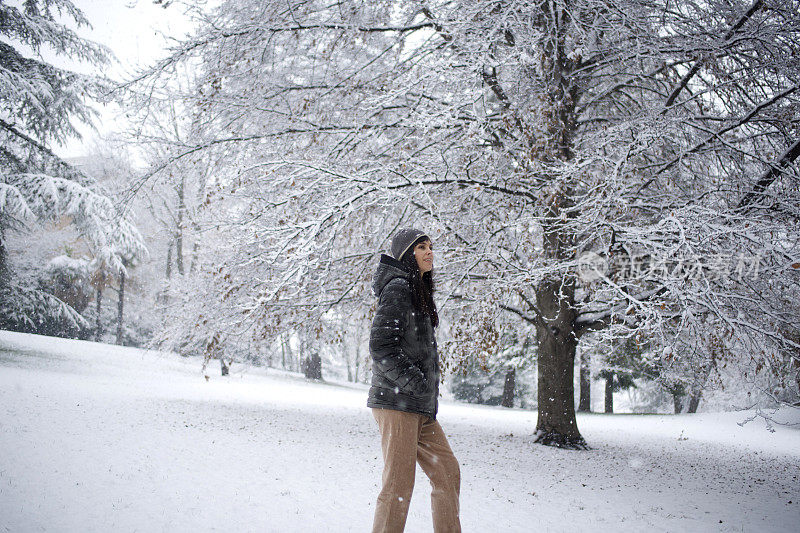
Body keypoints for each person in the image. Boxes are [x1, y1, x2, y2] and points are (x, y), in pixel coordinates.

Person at [367, 228, 461, 533]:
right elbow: (381, 347)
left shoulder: (416, 289)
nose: (429, 252)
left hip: (418, 406)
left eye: (431, 246)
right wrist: (417, 383)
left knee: (447, 472)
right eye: (422, 247)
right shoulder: (397, 288)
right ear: (408, 254)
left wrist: (423, 390)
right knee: (398, 486)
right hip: (397, 401)